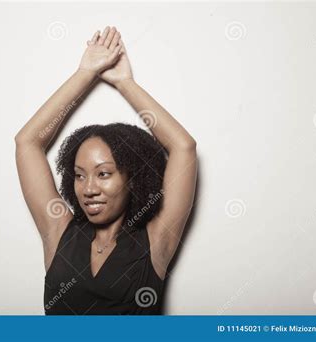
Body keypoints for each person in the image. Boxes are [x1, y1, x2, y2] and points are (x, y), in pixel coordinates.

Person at [14, 26, 198, 315]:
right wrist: (84, 73)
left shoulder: (155, 239)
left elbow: (183, 147)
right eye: (79, 174)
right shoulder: (59, 231)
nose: (88, 188)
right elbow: (27, 143)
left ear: (133, 178)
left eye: (103, 173)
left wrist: (125, 83)